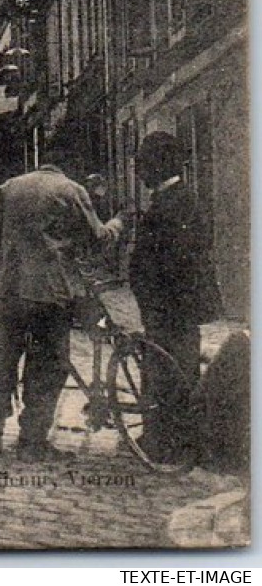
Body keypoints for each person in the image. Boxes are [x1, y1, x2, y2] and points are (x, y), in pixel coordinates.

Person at [0, 156, 110, 461]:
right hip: (50, 295)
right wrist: (118, 225)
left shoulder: (11, 187)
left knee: (4, 361)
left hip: (10, 292)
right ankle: (32, 441)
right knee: (48, 365)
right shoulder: (72, 190)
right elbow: (97, 238)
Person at [128, 131, 220, 464]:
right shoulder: (180, 199)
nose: (139, 171)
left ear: (159, 165)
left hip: (170, 304)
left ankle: (167, 440)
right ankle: (167, 435)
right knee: (175, 366)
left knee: (166, 368)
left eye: (144, 164)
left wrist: (147, 289)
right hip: (176, 303)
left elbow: (171, 260)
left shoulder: (170, 205)